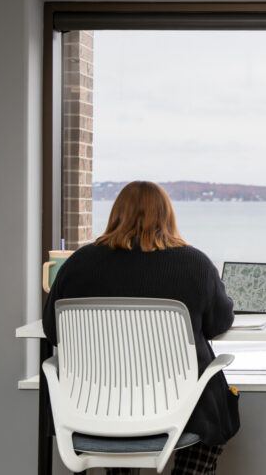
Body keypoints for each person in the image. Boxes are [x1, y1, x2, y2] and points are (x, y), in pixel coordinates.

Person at [42, 181, 239, 475]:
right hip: (181, 408)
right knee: (209, 399)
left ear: (116, 215)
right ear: (167, 216)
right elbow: (218, 322)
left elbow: (52, 330)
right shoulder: (194, 264)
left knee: (118, 412)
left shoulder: (78, 263)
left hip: (99, 404)